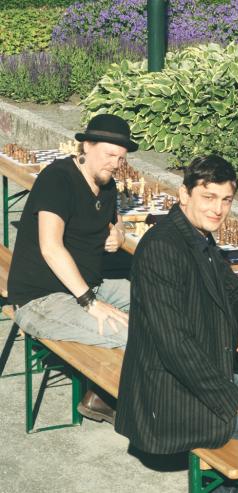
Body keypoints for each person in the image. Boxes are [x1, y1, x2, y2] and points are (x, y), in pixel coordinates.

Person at [115, 155, 238, 492]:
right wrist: (236, 399)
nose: (218, 209)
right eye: (208, 197)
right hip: (170, 398)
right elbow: (175, 346)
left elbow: (232, 285)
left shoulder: (197, 236)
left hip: (192, 379)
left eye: (226, 200)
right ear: (184, 195)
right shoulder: (162, 249)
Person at [8, 113, 137, 424]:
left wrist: (117, 233)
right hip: (41, 298)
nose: (115, 164)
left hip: (89, 283)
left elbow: (114, 220)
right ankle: (108, 397)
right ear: (87, 146)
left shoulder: (106, 183)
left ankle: (104, 393)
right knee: (132, 333)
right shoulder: (58, 179)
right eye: (109, 155)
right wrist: (89, 303)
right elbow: (50, 247)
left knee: (161, 300)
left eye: (120, 158)